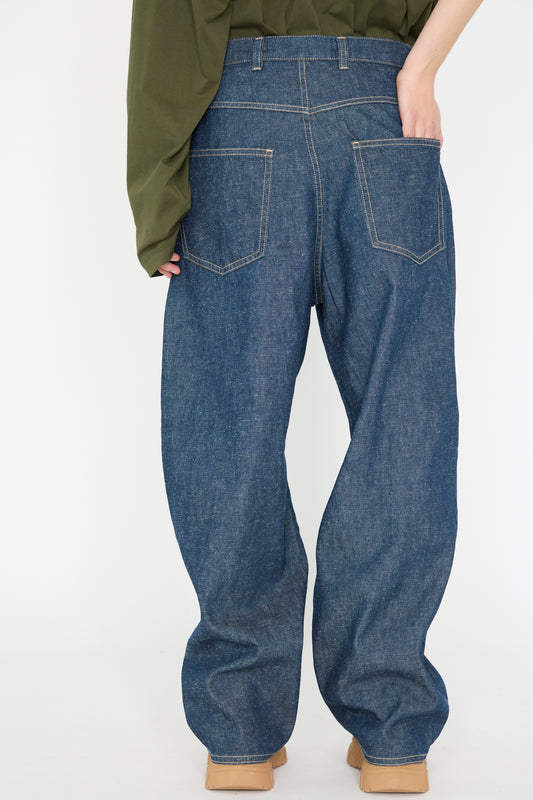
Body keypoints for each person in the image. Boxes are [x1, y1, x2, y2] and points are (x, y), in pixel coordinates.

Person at [126, 0, 484, 793]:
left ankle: (241, 735)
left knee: (227, 430)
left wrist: (157, 190)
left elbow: (170, 22)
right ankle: (392, 729)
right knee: (405, 418)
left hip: (235, 126)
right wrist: (418, 68)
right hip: (384, 109)